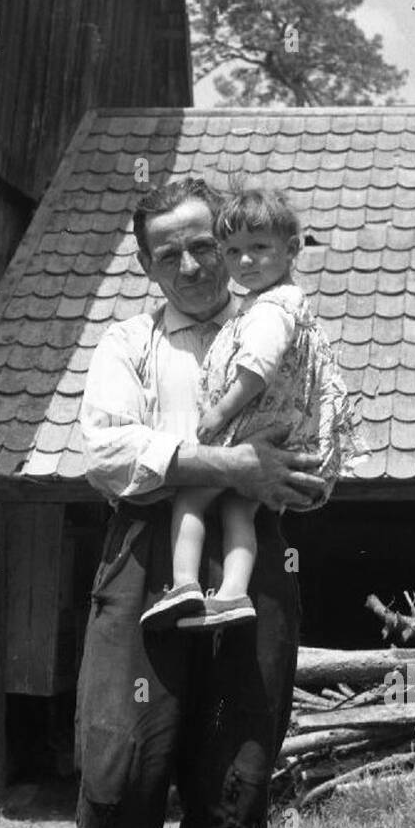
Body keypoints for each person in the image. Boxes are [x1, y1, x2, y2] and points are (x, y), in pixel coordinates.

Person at [6, 176, 335, 828]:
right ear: (148, 265)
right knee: (119, 778)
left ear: (227, 243)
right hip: (143, 563)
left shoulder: (280, 325)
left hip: (250, 569)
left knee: (232, 789)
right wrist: (227, 464)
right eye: (169, 253)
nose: (192, 265)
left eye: (204, 244)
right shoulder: (126, 344)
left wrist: (265, 475)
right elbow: (105, 453)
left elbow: (319, 453)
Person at [141, 184, 351, 632]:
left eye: (258, 249)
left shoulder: (269, 310)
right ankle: (234, 593)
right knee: (239, 511)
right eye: (234, 251)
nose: (245, 262)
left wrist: (219, 413)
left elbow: (256, 368)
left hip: (249, 427)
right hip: (274, 431)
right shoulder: (282, 302)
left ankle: (182, 584)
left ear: (291, 250)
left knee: (191, 499)